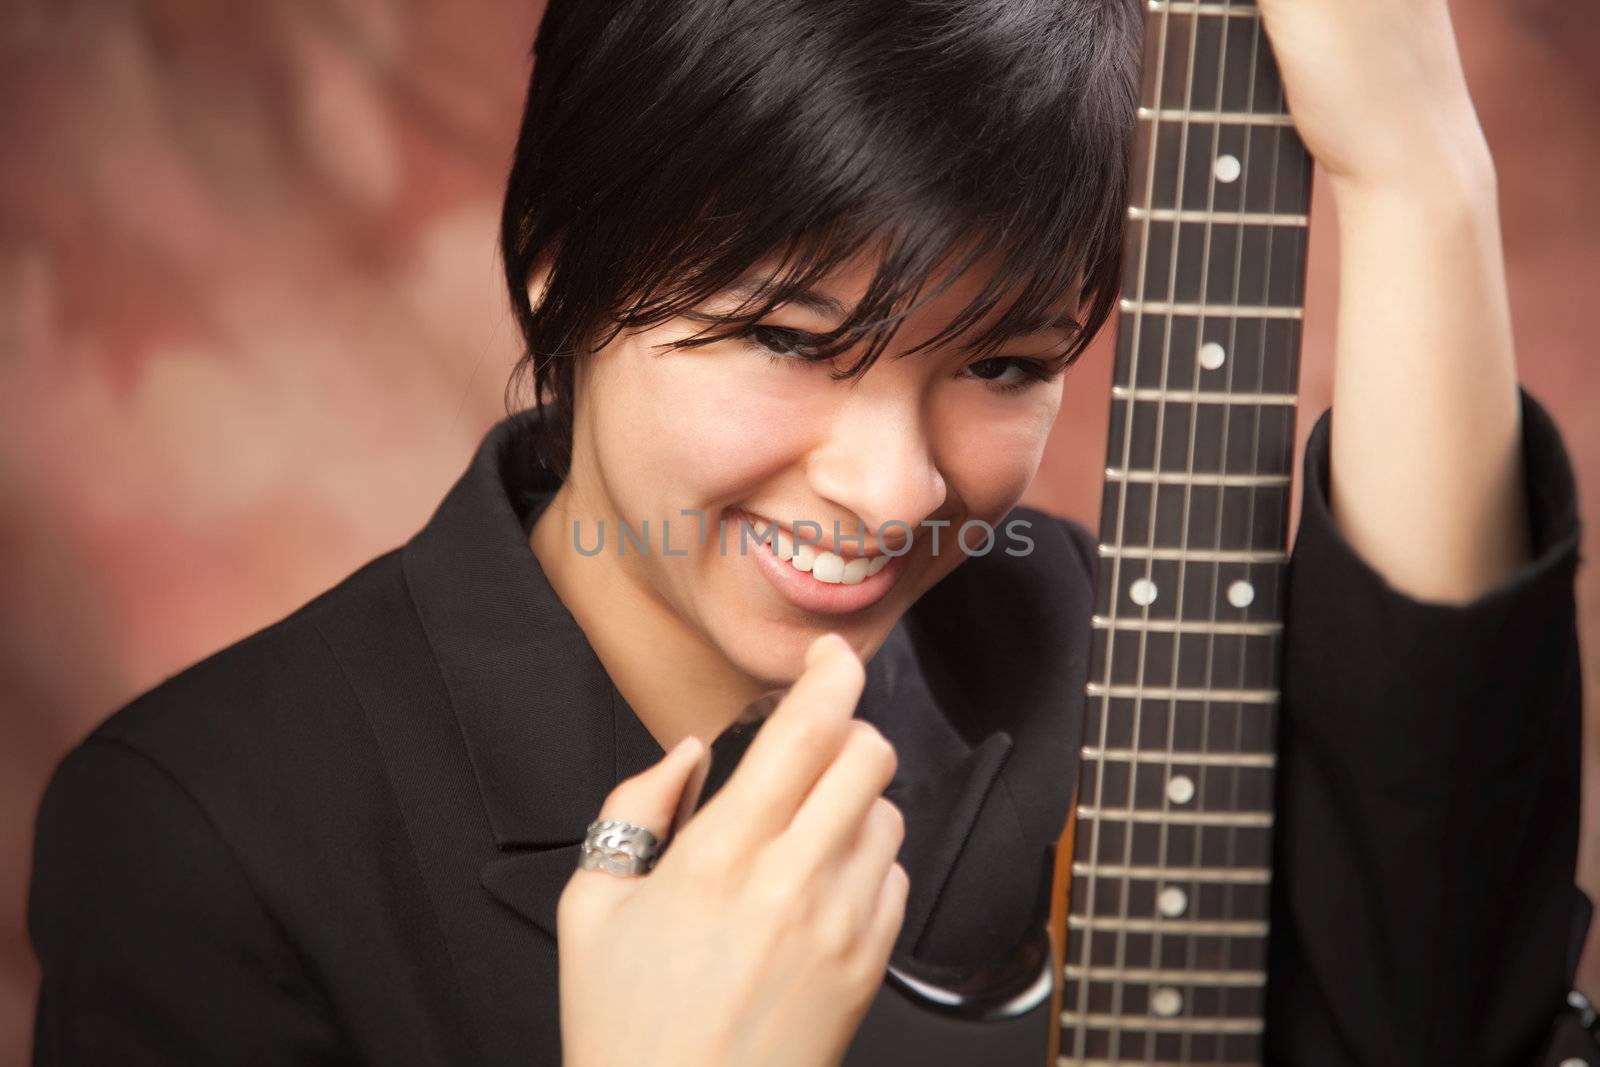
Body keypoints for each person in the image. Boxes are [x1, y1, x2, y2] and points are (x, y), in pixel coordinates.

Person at [25, 0, 1588, 1064]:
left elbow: (1443, 987)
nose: (896, 491)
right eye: (788, 335)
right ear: (565, 266)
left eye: (1002, 364)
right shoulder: (204, 840)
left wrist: (1420, 179)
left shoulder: (1110, 643)